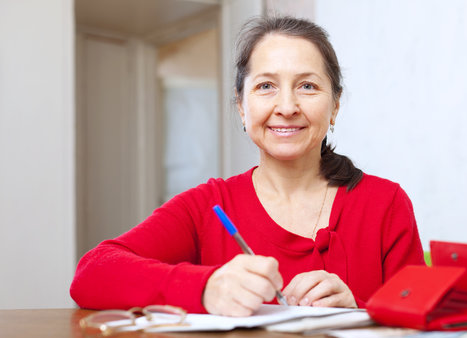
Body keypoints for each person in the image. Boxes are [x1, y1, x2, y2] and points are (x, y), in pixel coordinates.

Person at [70, 16, 425, 317]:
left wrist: (360, 310)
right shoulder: (208, 206)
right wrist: (205, 288)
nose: (286, 106)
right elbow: (91, 274)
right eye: (266, 86)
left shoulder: (385, 203)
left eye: (307, 86)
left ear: (334, 106)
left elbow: (426, 324)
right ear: (242, 106)